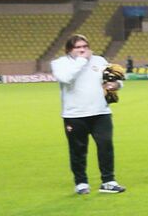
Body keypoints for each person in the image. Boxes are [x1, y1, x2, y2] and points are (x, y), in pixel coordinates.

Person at [50, 35, 126, 195]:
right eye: (78, 47)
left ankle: (108, 181)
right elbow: (66, 78)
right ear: (69, 49)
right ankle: (81, 183)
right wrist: (82, 61)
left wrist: (116, 84)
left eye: (85, 46)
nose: (83, 49)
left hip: (101, 112)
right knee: (78, 150)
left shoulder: (99, 60)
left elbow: (113, 77)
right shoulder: (60, 64)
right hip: (74, 114)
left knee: (105, 146)